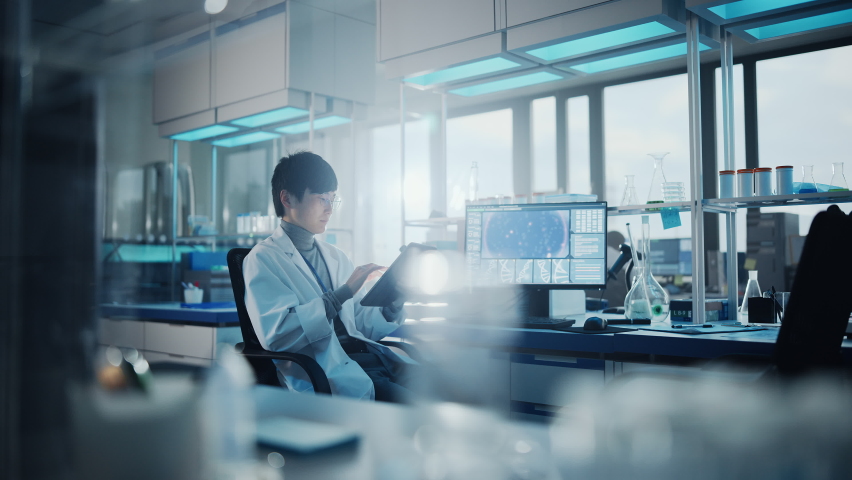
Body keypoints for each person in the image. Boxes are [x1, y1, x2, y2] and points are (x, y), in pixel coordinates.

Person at [242, 151, 416, 402]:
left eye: (333, 199)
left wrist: (393, 302)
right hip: (328, 374)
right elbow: (279, 335)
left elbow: (361, 325)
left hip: (370, 361)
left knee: (439, 390)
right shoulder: (263, 259)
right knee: (418, 409)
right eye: (322, 198)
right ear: (287, 198)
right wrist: (342, 293)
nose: (329, 209)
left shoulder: (336, 257)